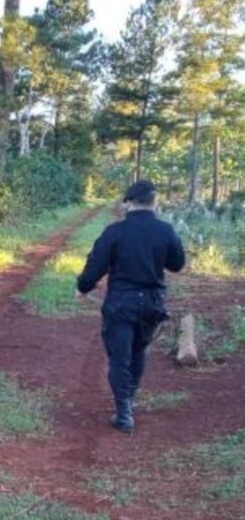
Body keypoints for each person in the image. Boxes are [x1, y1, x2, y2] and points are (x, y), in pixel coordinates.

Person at [76, 180, 186, 433]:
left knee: (119, 358)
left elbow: (95, 266)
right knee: (138, 352)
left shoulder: (115, 232)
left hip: (121, 303)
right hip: (152, 303)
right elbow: (177, 264)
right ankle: (128, 403)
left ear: (128, 203)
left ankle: (124, 412)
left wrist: (83, 287)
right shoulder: (166, 230)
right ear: (154, 201)